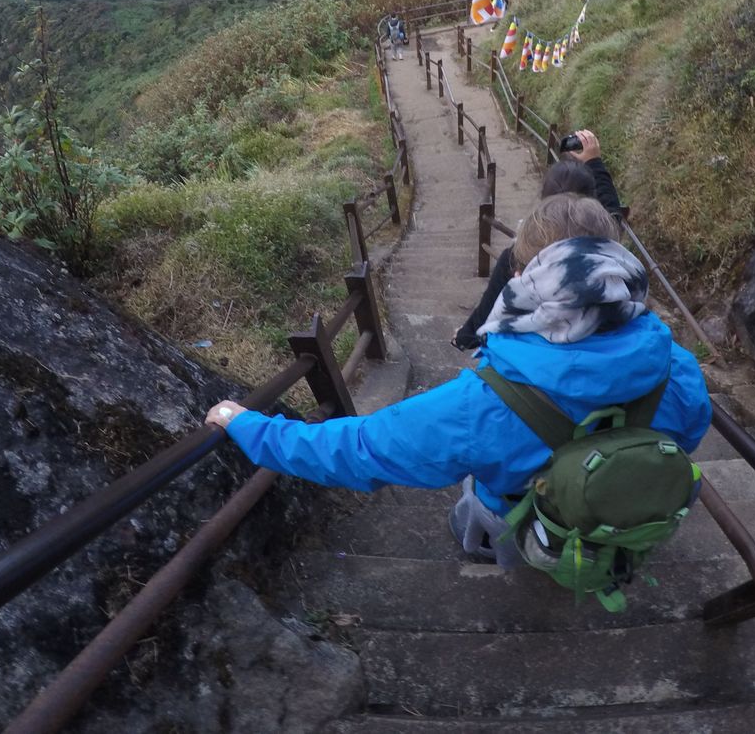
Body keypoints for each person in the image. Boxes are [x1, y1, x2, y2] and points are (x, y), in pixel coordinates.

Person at [204, 193, 711, 569]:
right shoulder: (674, 362)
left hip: (530, 522)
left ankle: (497, 553)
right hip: (627, 511)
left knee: (475, 504)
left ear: (525, 276)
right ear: (616, 268)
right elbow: (685, 434)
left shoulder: (484, 404)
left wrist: (250, 427)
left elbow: (362, 449)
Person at [452, 128, 620, 352]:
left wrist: (464, 337)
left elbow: (488, 308)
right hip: (604, 350)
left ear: (544, 199)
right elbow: (611, 212)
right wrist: (594, 163)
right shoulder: (607, 249)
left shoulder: (519, 256)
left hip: (538, 355)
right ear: (592, 200)